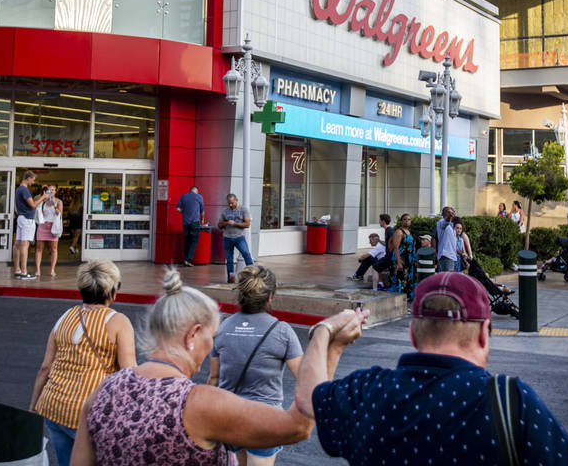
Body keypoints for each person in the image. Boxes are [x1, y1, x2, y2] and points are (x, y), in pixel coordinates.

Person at [71, 271, 359, 466]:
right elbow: (299, 425)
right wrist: (327, 339)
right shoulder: (197, 404)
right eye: (211, 335)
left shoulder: (102, 392)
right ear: (192, 335)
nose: (212, 345)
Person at [299, 272, 568, 465]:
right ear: (485, 332)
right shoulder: (510, 401)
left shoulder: (369, 389)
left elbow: (308, 398)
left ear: (413, 333)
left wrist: (326, 332)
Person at [31, 260, 136, 466]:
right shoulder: (118, 322)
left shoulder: (65, 316)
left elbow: (45, 367)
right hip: (89, 412)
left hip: (53, 406)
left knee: (65, 461)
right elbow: (128, 373)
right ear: (114, 290)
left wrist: (33, 406)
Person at [209, 265, 303, 466]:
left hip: (229, 416)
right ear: (270, 296)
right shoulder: (282, 331)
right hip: (265, 419)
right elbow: (304, 380)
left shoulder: (223, 327)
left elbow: (214, 379)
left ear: (240, 295)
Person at [14, 171, 47, 280]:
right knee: (25, 245)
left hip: (21, 218)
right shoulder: (24, 190)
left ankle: (17, 269)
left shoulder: (18, 189)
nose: (33, 181)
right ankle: (24, 272)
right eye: (33, 179)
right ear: (28, 178)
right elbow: (33, 205)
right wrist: (42, 197)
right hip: (27, 219)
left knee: (17, 244)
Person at [219, 193, 254, 284]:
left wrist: (234, 223)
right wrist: (226, 223)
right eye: (229, 203)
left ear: (236, 200)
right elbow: (219, 224)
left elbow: (247, 224)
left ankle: (253, 276)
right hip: (227, 238)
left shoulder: (243, 209)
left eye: (232, 203)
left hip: (239, 238)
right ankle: (231, 279)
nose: (230, 205)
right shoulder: (225, 211)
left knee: (246, 254)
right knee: (229, 260)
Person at [35, 185, 63, 278]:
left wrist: (55, 206)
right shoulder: (42, 201)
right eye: (49, 190)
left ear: (55, 192)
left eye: (53, 190)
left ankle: (52, 270)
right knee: (39, 248)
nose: (51, 191)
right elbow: (37, 211)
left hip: (53, 226)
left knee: (54, 249)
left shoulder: (59, 201)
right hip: (43, 225)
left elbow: (60, 214)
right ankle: (38, 270)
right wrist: (40, 213)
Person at [176, 185, 205, 268]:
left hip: (185, 223)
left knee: (186, 241)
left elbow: (178, 209)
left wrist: (184, 212)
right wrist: (202, 220)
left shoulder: (183, 196)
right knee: (194, 241)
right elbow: (202, 210)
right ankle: (188, 260)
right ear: (196, 191)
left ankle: (185, 259)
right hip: (194, 222)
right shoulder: (199, 197)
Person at [434, 206, 457, 273]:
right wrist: (449, 217)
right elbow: (446, 221)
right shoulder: (441, 222)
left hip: (453, 257)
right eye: (448, 212)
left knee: (451, 280)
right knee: (447, 281)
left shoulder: (452, 225)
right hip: (446, 256)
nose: (450, 214)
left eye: (451, 212)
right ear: (443, 214)